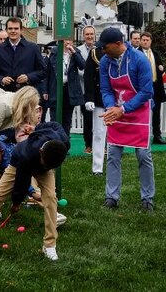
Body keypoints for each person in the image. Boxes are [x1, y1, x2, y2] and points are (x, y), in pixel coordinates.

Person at [0, 122, 70, 261]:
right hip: (18, 163)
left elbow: (55, 125)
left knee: (51, 199)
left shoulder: (62, 145)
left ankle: (49, 245)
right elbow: (22, 182)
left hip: (46, 165)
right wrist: (16, 202)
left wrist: (35, 129)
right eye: (45, 163)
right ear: (41, 152)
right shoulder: (26, 154)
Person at [96, 27, 156, 211]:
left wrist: (123, 108)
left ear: (118, 44)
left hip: (139, 112)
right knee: (113, 154)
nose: (103, 51)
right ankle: (111, 196)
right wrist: (110, 108)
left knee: (143, 155)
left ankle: (147, 198)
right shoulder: (106, 61)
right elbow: (106, 89)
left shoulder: (139, 60)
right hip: (116, 111)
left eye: (105, 47)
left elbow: (147, 92)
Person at [0, 17, 46, 94]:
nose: (13, 31)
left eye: (16, 28)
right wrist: (1, 79)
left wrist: (28, 77)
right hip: (4, 94)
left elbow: (43, 71)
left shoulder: (33, 48)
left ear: (21, 30)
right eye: (10, 28)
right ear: (6, 30)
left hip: (26, 94)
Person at [78, 25, 107, 174]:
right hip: (100, 99)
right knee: (99, 132)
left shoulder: (125, 54)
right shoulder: (95, 54)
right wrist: (89, 98)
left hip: (117, 100)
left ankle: (114, 162)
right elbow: (89, 77)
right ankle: (97, 167)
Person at [46, 40, 86, 138]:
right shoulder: (54, 52)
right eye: (65, 40)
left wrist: (73, 52)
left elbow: (82, 65)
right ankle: (55, 142)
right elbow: (48, 73)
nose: (67, 42)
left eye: (69, 40)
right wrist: (45, 91)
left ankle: (65, 142)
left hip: (69, 89)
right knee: (54, 117)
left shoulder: (75, 52)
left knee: (67, 118)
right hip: (56, 88)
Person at [140, 31, 166, 144]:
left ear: (151, 41)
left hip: (156, 87)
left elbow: (160, 68)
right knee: (142, 112)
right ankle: (142, 136)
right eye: (144, 40)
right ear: (141, 41)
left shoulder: (155, 54)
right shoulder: (136, 53)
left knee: (156, 113)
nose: (146, 42)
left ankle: (157, 136)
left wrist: (161, 68)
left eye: (148, 40)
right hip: (142, 88)